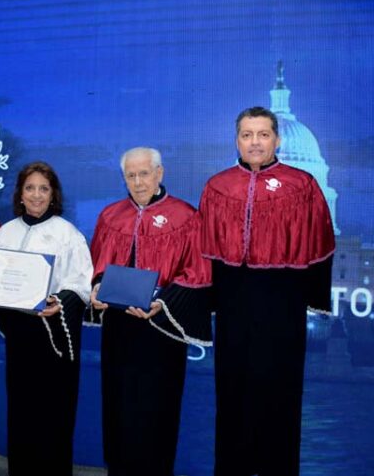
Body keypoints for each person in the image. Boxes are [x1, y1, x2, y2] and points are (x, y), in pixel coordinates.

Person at [198, 107, 335, 476]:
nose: (255, 142)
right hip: (233, 307)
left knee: (281, 395)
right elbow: (204, 250)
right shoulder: (217, 187)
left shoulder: (302, 185)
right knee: (233, 395)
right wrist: (208, 305)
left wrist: (315, 299)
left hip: (283, 306)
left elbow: (322, 240)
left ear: (277, 139)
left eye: (263, 134)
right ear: (237, 141)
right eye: (247, 135)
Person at [90, 147, 212, 476]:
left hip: (162, 331)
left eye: (144, 173)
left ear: (160, 173)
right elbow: (97, 266)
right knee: (117, 405)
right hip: (118, 329)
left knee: (157, 409)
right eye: (130, 175)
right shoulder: (110, 217)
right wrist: (97, 286)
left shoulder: (186, 217)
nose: (138, 181)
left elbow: (198, 273)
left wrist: (163, 303)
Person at [0, 161, 93, 476]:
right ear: (20, 194)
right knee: (21, 409)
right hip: (19, 338)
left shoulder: (68, 234)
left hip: (54, 338)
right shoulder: (5, 233)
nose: (36, 195)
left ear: (53, 194)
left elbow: (82, 284)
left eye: (43, 189)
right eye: (30, 188)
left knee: (54, 412)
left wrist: (60, 302)